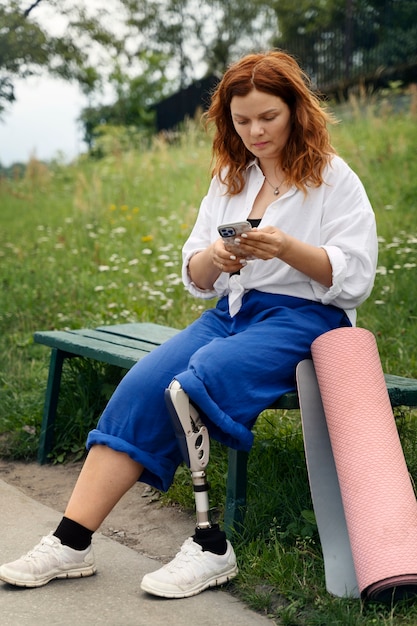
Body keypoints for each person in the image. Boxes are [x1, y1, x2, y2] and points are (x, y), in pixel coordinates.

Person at [0, 50, 377, 598]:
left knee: (200, 380)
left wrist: (288, 248)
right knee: (145, 384)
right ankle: (71, 540)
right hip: (231, 312)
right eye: (241, 120)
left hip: (307, 319)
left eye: (267, 117)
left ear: (296, 110)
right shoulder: (232, 179)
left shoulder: (333, 179)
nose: (254, 131)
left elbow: (356, 277)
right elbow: (196, 272)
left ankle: (209, 545)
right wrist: (217, 260)